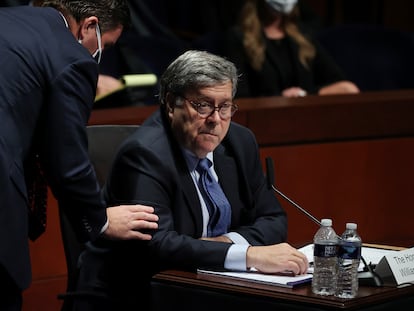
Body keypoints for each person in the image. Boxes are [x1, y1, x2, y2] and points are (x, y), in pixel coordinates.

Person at [72, 50, 309, 310]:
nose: (216, 120)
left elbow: (274, 219)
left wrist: (223, 245)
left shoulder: (239, 143)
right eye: (203, 105)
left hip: (207, 288)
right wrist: (248, 254)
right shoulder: (145, 154)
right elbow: (156, 245)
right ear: (172, 103)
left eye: (225, 107)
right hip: (136, 296)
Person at [0, 1, 159, 310]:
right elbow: (66, 158)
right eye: (105, 45)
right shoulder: (71, 57)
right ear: (89, 26)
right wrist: (99, 220)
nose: (99, 55)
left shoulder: (8, 19)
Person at [223, 0, 360, 98]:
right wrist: (280, 98)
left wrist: (304, 95)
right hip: (265, 118)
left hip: (307, 115)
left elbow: (339, 82)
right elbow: (238, 95)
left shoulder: (302, 36)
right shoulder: (239, 38)